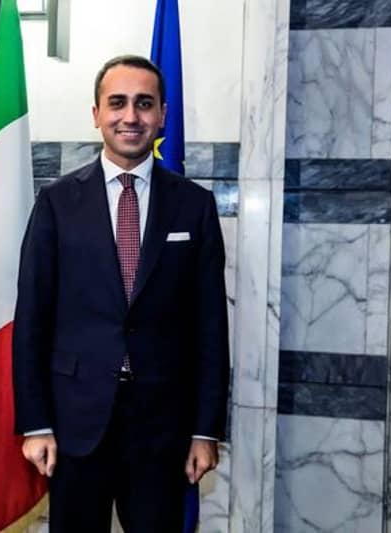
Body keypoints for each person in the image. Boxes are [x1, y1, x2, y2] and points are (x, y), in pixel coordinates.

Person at [12, 55, 229, 532]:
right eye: (117, 103)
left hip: (163, 428)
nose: (130, 116)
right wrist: (36, 423)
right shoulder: (56, 203)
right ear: (96, 114)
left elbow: (211, 326)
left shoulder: (194, 206)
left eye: (144, 104)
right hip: (75, 424)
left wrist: (205, 429)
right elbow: (31, 320)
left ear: (163, 115)